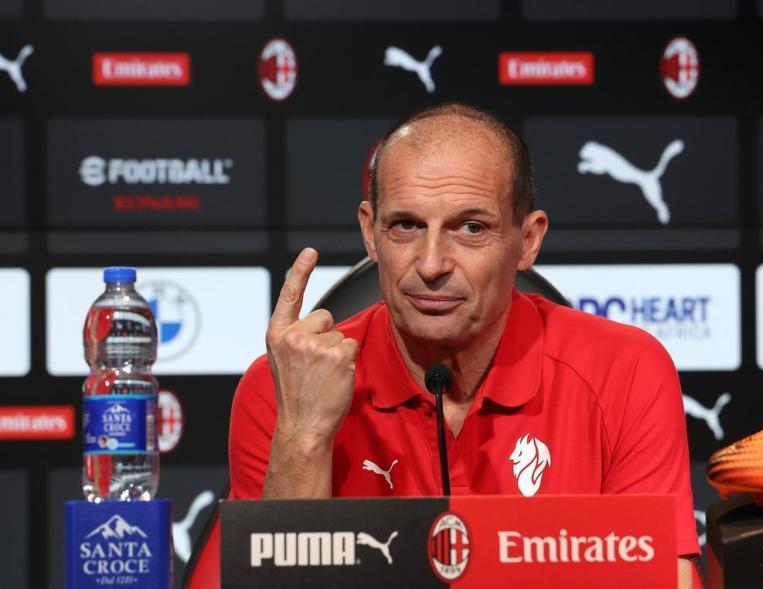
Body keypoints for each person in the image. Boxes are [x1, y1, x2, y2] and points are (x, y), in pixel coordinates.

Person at [228, 103, 701, 587]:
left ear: (528, 239)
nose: (431, 264)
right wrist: (303, 438)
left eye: (471, 228)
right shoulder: (282, 387)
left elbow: (664, 579)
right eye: (406, 225)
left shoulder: (624, 371)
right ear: (371, 232)